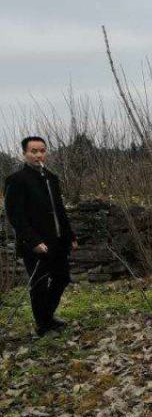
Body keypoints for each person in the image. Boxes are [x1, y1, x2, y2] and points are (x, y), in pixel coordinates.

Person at [3, 136, 78, 337]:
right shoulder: (17, 180)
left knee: (62, 278)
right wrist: (34, 241)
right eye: (33, 151)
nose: (38, 155)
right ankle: (43, 326)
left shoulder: (51, 177)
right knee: (39, 284)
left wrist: (70, 235)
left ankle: (48, 316)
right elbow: (15, 216)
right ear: (25, 153)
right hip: (35, 244)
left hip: (57, 241)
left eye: (42, 151)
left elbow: (59, 209)